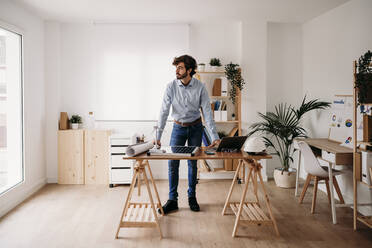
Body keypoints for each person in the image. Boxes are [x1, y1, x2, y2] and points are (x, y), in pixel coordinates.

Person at [156, 55, 220, 214]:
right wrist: (158, 135)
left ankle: (192, 197)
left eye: (180, 67)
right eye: (176, 68)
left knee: (192, 163)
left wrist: (215, 138)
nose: (176, 71)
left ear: (189, 70)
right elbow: (163, 112)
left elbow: (207, 114)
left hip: (196, 127)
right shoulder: (171, 87)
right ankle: (172, 200)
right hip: (178, 127)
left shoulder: (200, 87)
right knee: (173, 163)